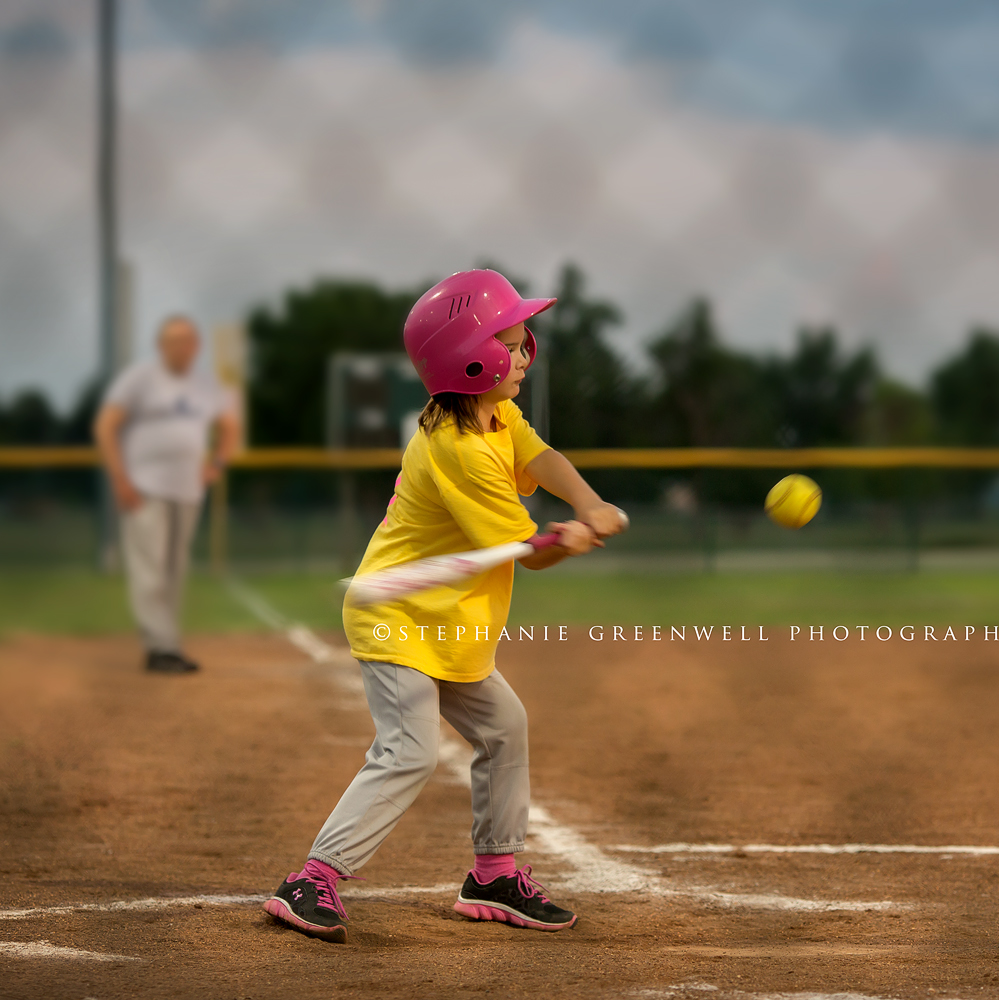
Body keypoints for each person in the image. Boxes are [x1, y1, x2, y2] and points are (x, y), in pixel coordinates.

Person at [264, 269, 626, 943]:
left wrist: (587, 503)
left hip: (449, 623)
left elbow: (541, 457)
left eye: (525, 340)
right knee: (410, 749)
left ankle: (492, 874)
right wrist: (568, 541)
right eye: (513, 343)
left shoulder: (496, 417)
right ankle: (313, 878)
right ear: (472, 358)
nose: (525, 355)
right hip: (398, 619)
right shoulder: (457, 450)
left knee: (504, 726)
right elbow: (531, 552)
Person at [94, 315, 240, 674]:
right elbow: (106, 424)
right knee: (150, 568)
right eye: (174, 340)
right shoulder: (140, 378)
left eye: (188, 340)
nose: (182, 347)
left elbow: (230, 425)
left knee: (174, 567)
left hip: (187, 490)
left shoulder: (204, 384)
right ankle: (159, 647)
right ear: (161, 346)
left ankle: (168, 644)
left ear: (196, 346)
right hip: (144, 487)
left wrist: (216, 464)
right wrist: (119, 478)